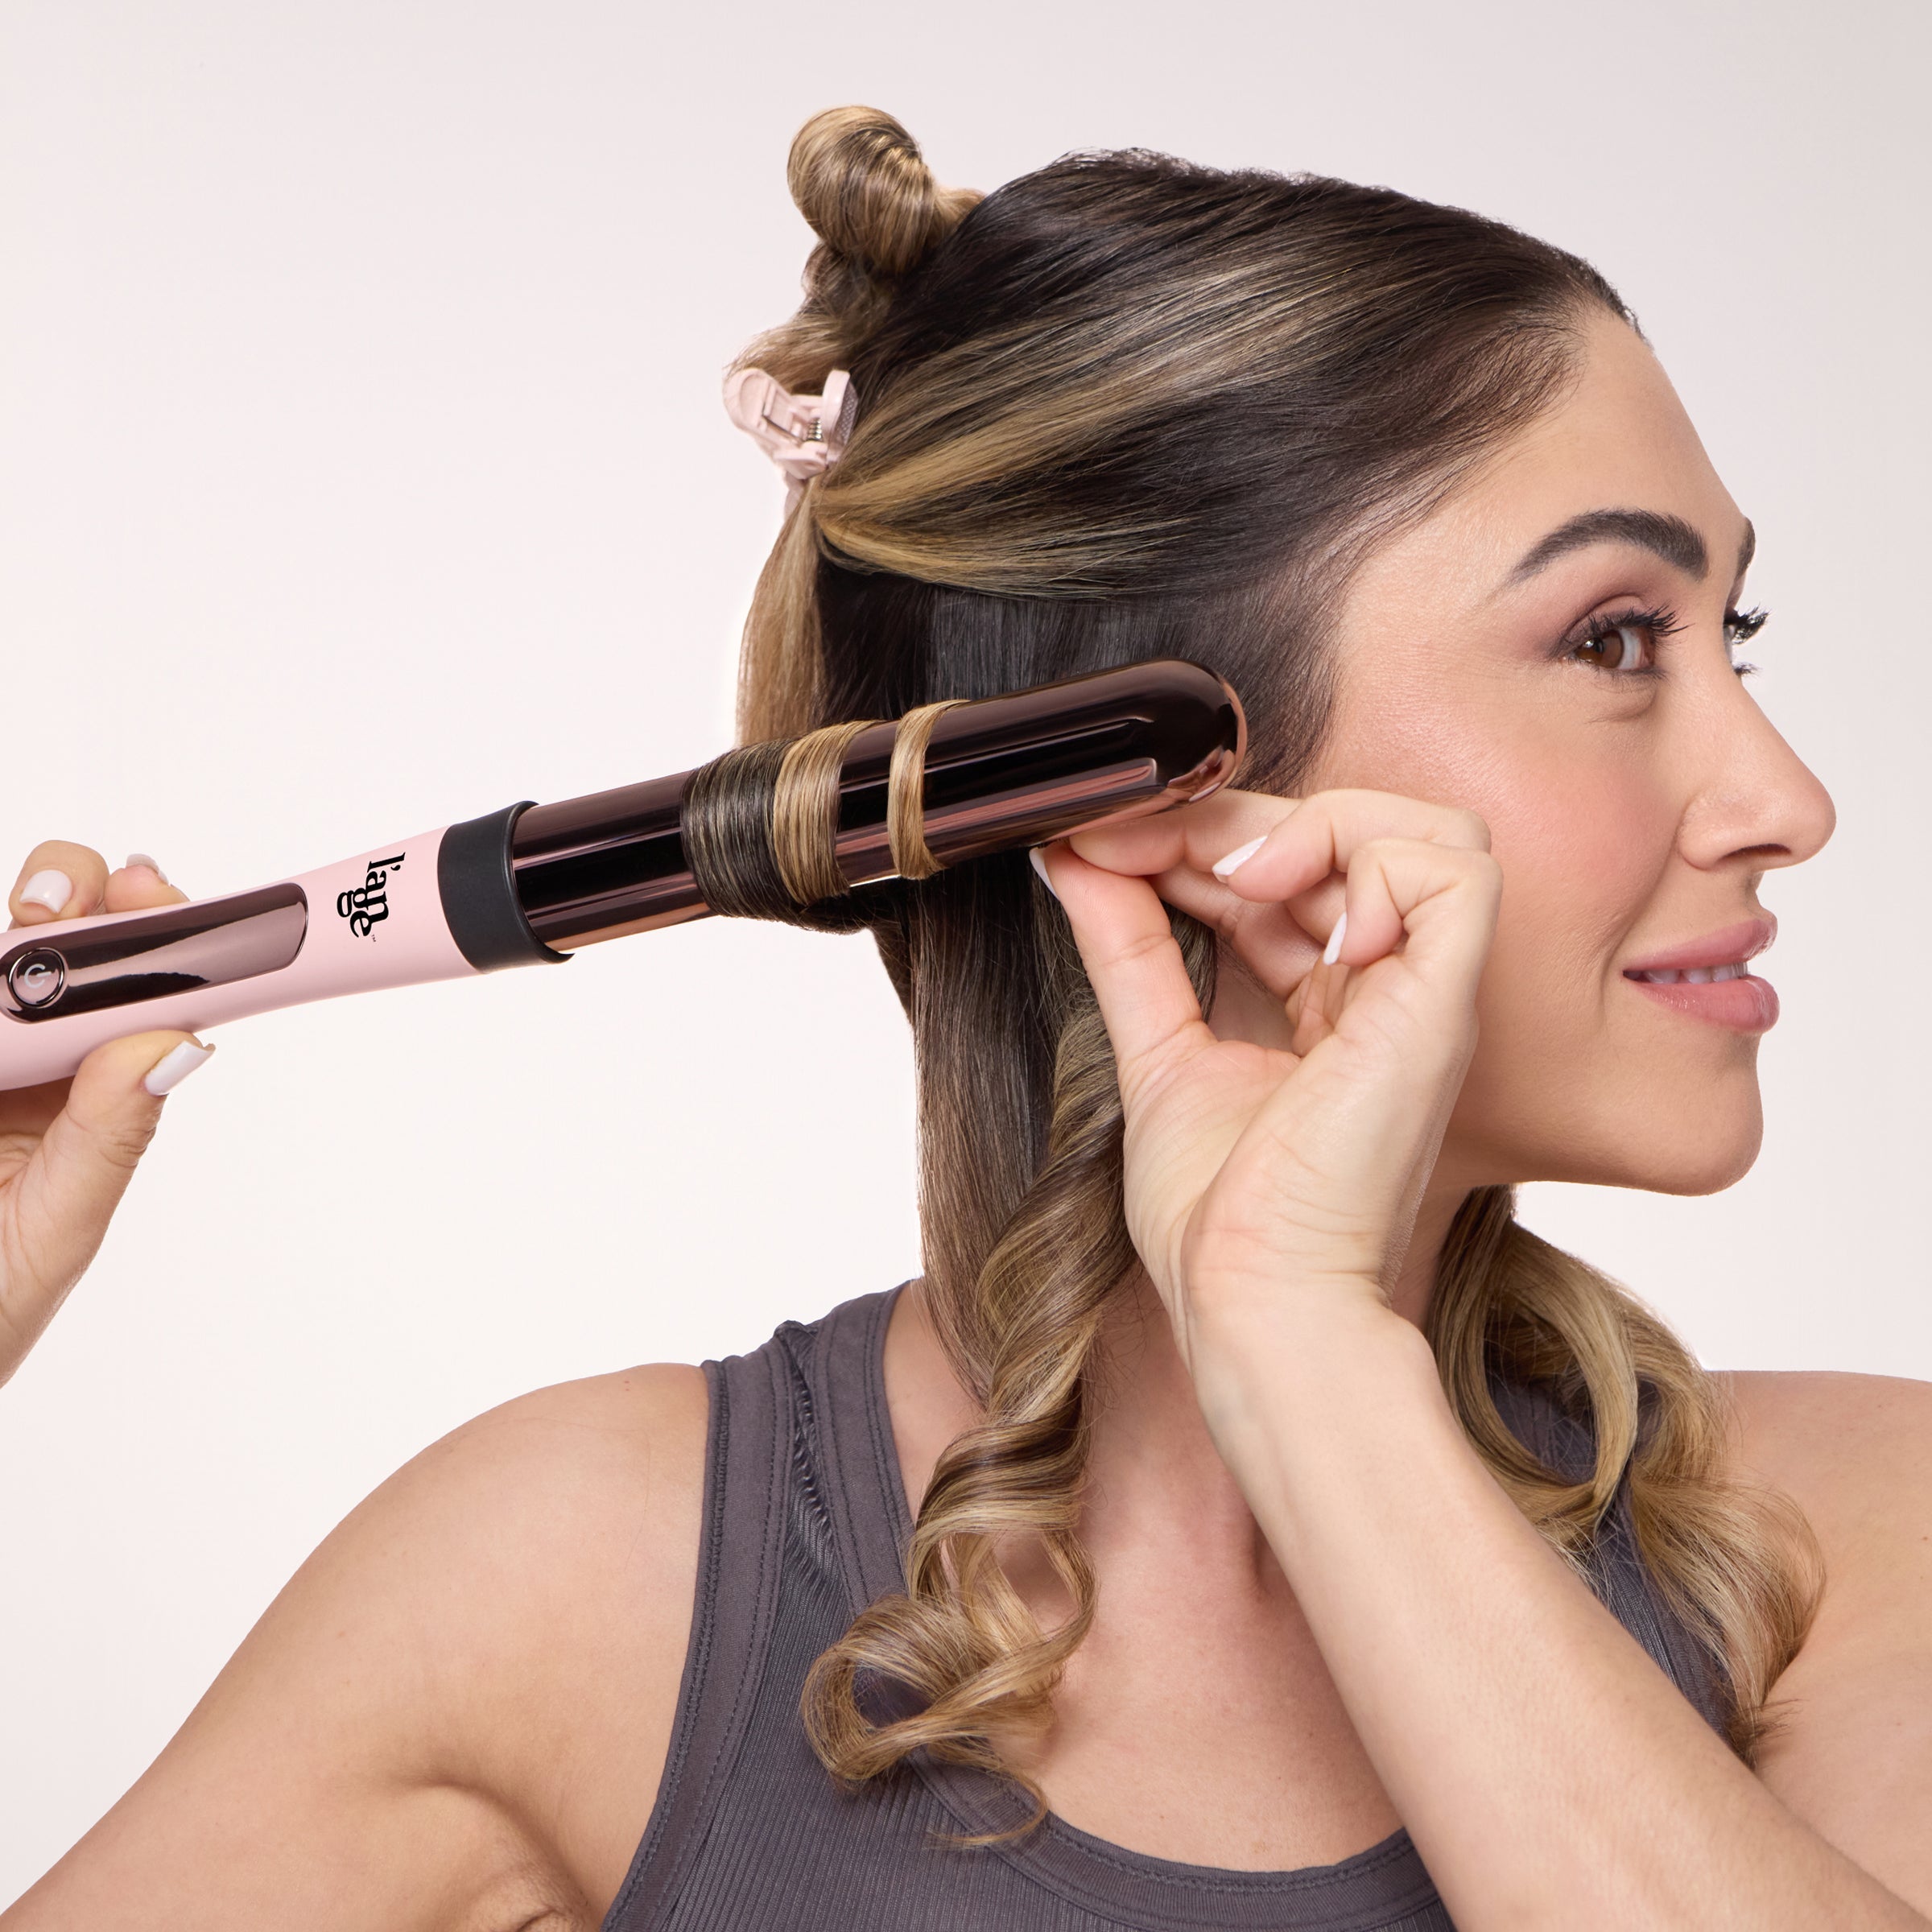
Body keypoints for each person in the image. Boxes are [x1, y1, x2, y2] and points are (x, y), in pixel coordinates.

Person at [4, 106, 1927, 1931]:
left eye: (1731, 638)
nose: (1789, 798)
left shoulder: (1834, 1547)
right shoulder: (579, 1593)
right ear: (1149, 777)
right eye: (1615, 641)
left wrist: (1302, 1347)